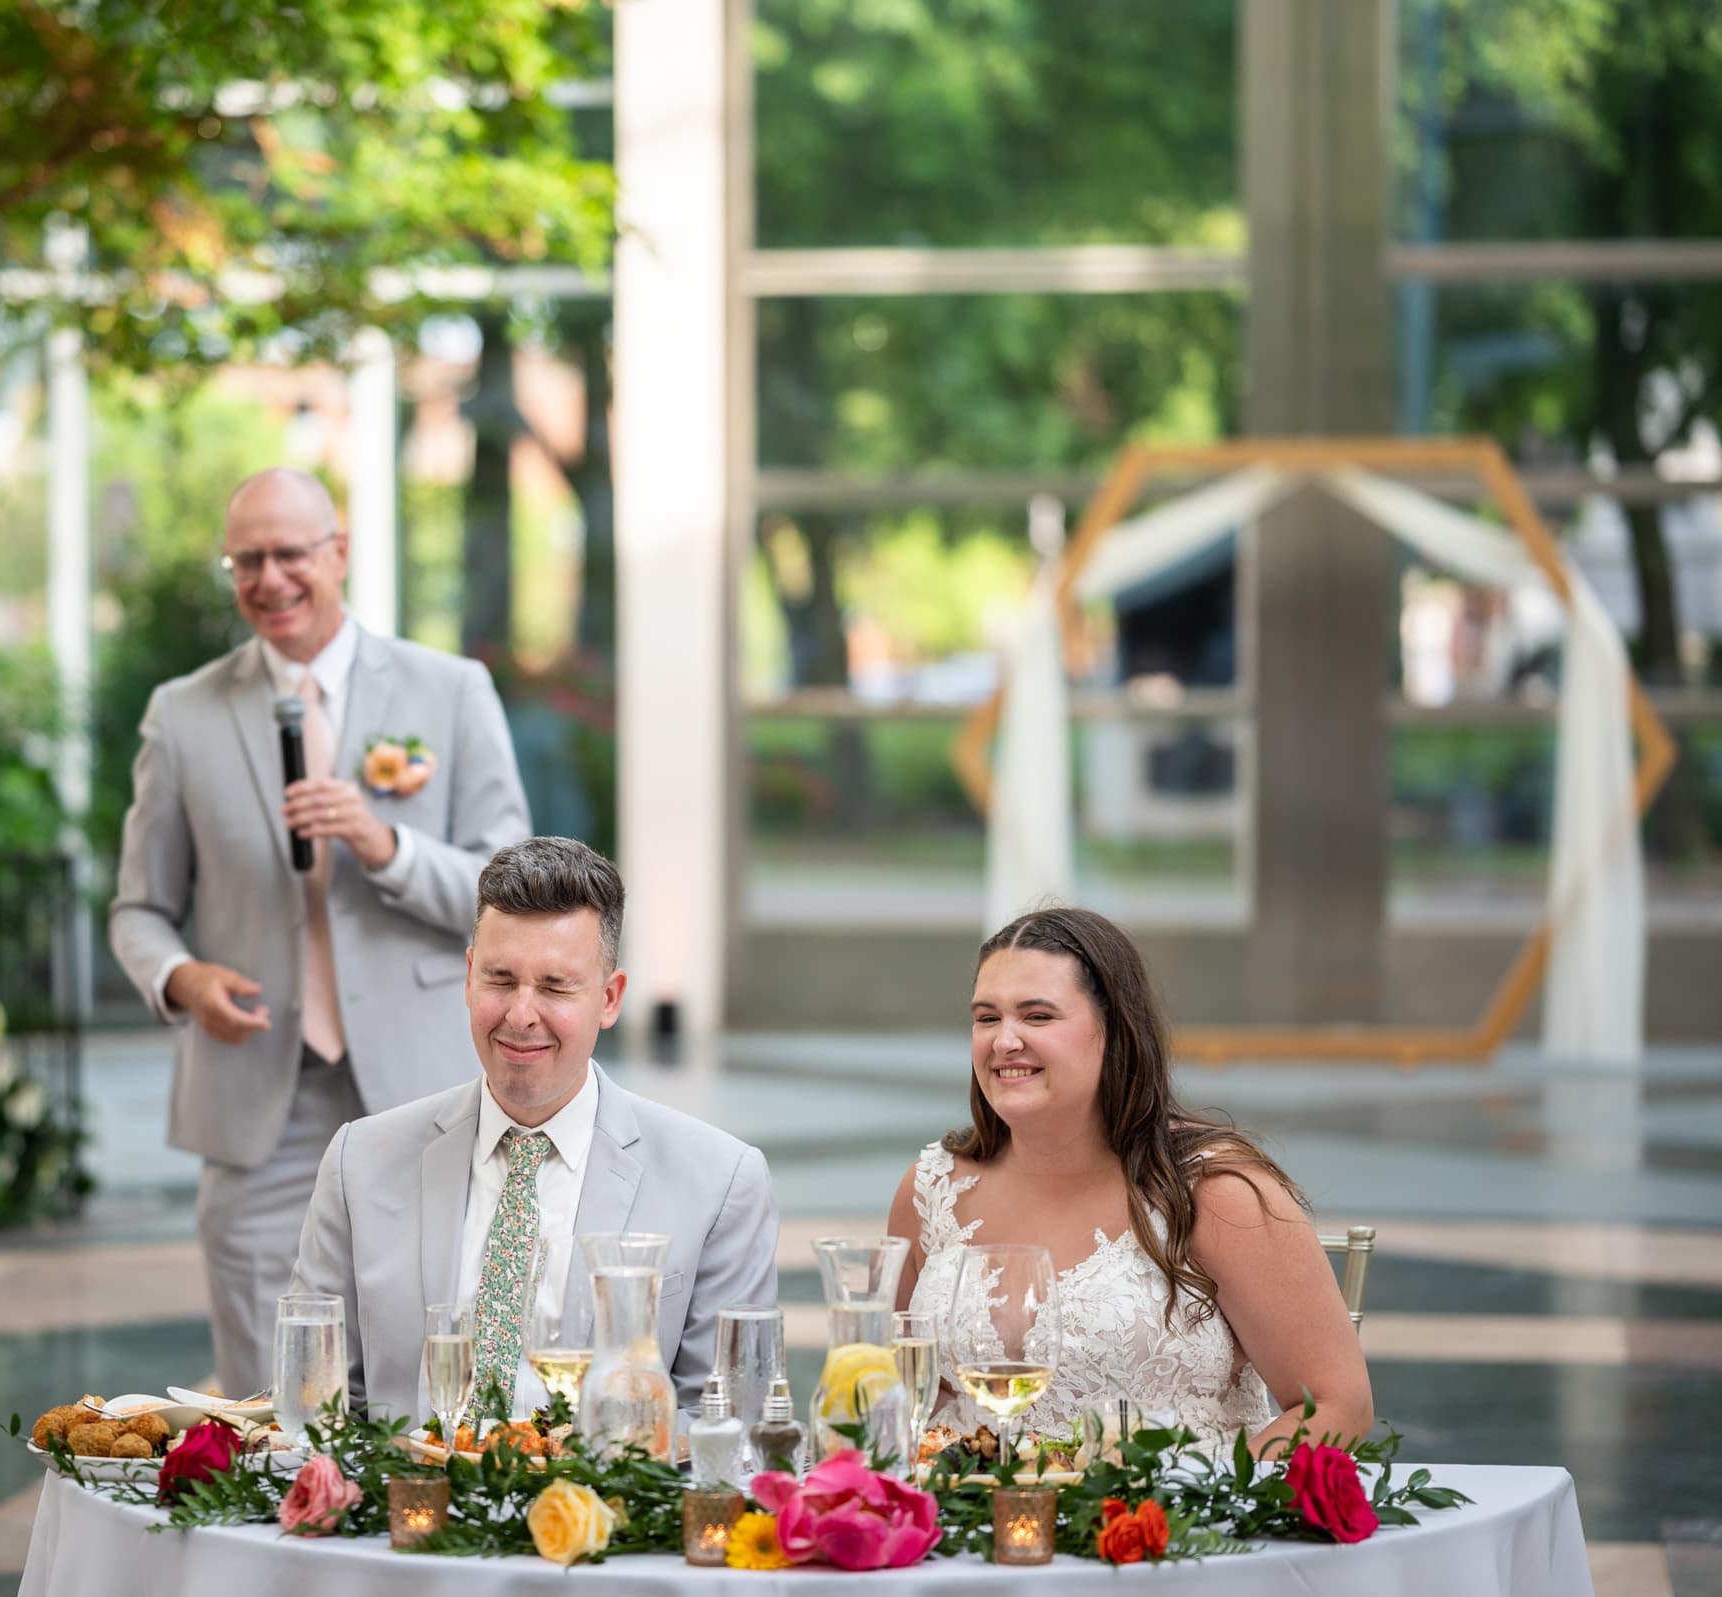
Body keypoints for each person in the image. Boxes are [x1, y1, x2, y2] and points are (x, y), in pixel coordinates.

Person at [110, 468, 532, 1398]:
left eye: (289, 553)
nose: (268, 578)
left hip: (424, 1085)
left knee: (436, 1372)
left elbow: (515, 891)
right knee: (270, 1396)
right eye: (246, 560)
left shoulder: (450, 690)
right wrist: (181, 979)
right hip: (258, 1089)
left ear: (337, 553)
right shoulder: (182, 714)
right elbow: (138, 909)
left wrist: (387, 846)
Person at [292, 836, 780, 1423]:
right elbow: (316, 1404)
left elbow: (726, 1425)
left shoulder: (719, 1182)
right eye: (500, 980)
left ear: (610, 997)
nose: (521, 1014)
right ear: (469, 977)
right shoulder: (360, 1161)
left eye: (554, 987)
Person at [890, 906, 1372, 1455]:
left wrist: (1200, 1504)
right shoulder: (933, 1188)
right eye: (986, 1017)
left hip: (1161, 1531)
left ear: (1114, 1029)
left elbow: (1338, 1407)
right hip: (974, 1530)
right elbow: (904, 1401)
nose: (1004, 1041)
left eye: (1038, 1016)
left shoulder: (1214, 1192)